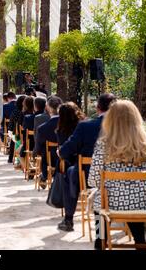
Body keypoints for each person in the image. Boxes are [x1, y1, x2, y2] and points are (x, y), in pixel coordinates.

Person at [88, 100, 146, 248]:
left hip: (110, 204)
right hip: (143, 204)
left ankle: (101, 241)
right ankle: (141, 241)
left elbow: (94, 180)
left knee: (99, 207)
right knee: (134, 203)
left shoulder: (103, 144)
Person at [57, 93, 116, 234]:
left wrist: (62, 152)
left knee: (69, 174)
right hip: (118, 177)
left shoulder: (86, 126)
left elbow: (69, 148)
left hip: (89, 176)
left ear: (98, 107)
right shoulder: (125, 128)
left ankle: (69, 219)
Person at [34, 95, 63, 189]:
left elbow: (38, 147)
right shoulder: (68, 125)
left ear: (48, 108)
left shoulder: (42, 128)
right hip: (64, 158)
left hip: (48, 159)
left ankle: (44, 175)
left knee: (43, 152)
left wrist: (36, 153)